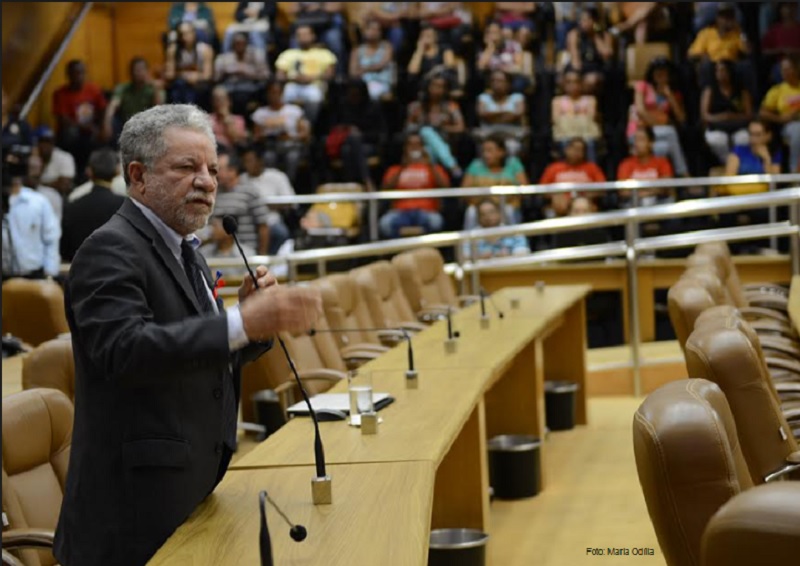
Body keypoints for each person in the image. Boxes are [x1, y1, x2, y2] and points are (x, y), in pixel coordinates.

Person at [53, 104, 322, 566]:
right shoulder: (109, 249)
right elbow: (127, 351)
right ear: (138, 176)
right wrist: (240, 323)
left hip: (191, 486)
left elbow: (200, 352)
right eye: (187, 167)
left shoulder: (184, 249)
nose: (208, 181)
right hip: (132, 515)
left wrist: (251, 322)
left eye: (213, 169)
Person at [626, 57, 690, 177]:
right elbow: (640, 110)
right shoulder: (642, 86)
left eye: (664, 72)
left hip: (658, 135)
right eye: (657, 71)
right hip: (639, 131)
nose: (660, 75)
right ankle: (685, 175)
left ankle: (666, 185)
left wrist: (669, 96)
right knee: (671, 132)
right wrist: (660, 122)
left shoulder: (673, 93)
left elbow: (681, 118)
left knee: (666, 147)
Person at [379, 132, 450, 238]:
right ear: (405, 148)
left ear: (423, 148)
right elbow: (385, 189)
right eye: (411, 144)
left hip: (426, 211)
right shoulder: (395, 169)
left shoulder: (433, 168)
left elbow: (446, 186)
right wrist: (402, 167)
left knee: (436, 221)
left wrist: (430, 164)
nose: (414, 148)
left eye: (418, 144)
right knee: (385, 223)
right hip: (400, 212)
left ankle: (427, 252)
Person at [60, 148, 126, 262]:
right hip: (116, 270)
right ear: (117, 171)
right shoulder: (125, 205)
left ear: (89, 172)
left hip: (81, 271)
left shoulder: (72, 206)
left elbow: (64, 250)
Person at [2, 159, 61, 280]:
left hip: (35, 275)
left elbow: (51, 239)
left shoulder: (38, 202)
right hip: (4, 275)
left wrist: (50, 274)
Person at [52, 59, 107, 180]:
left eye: (81, 73)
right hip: (74, 130)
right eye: (75, 73)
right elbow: (63, 119)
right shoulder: (60, 93)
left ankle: (96, 171)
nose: (79, 76)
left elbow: (103, 109)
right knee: (71, 133)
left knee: (106, 130)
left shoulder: (93, 89)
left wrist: (103, 126)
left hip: (92, 127)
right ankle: (75, 171)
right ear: (68, 75)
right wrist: (85, 127)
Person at [251, 80, 312, 184]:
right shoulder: (260, 113)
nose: (274, 96)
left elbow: (305, 134)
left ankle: (287, 186)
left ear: (282, 93)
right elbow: (255, 136)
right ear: (267, 94)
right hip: (270, 146)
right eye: (271, 93)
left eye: (277, 92)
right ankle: (271, 185)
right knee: (268, 157)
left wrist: (291, 136)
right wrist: (266, 135)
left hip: (291, 145)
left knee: (292, 158)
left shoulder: (294, 110)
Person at [274, 24, 337, 125]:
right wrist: (293, 78)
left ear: (313, 36)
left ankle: (308, 125)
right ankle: (290, 126)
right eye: (299, 35)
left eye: (306, 34)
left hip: (314, 85)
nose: (303, 37)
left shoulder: (324, 53)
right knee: (287, 93)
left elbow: (330, 74)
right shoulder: (288, 54)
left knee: (314, 95)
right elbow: (279, 75)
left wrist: (311, 77)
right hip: (293, 84)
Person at [461, 134, 528, 229]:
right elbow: (465, 191)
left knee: (509, 211)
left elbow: (524, 189)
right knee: (471, 212)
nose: (485, 154)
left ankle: (516, 241)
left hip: (506, 206)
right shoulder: (476, 165)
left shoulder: (514, 163)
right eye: (484, 151)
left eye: (490, 151)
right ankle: (468, 242)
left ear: (501, 152)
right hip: (480, 207)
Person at [210, 149, 270, 255]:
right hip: (219, 253)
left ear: (232, 170)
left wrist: (262, 256)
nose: (216, 173)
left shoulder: (250, 192)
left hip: (246, 252)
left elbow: (263, 226)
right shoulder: (214, 193)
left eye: (219, 169)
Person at [405, 73, 465, 179]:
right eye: (434, 86)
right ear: (427, 87)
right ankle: (452, 166)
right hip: (421, 142)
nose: (437, 90)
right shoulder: (417, 106)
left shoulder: (451, 106)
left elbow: (460, 128)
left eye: (441, 87)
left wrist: (443, 128)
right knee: (426, 132)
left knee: (431, 146)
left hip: (445, 140)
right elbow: (408, 127)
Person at [238, 145, 294, 254]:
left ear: (260, 161)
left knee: (280, 233)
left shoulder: (277, 176)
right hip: (247, 221)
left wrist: (265, 205)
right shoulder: (241, 179)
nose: (247, 165)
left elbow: (291, 202)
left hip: (271, 220)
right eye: (245, 161)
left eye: (250, 161)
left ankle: (271, 261)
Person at [700, 58, 753, 164]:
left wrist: (733, 117)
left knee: (743, 139)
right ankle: (727, 164)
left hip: (738, 125)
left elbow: (749, 114)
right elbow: (704, 115)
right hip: (716, 126)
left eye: (723, 70)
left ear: (730, 72)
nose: (720, 73)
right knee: (718, 140)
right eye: (717, 70)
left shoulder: (741, 91)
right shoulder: (710, 90)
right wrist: (722, 117)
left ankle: (739, 165)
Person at [539, 137, 606, 217]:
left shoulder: (592, 168)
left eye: (580, 150)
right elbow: (542, 190)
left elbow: (602, 188)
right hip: (560, 203)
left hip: (584, 201)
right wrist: (556, 195)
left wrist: (583, 195)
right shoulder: (553, 168)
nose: (576, 152)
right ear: (566, 149)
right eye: (574, 148)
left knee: (581, 206)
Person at [103, 58, 165, 145]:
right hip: (126, 124)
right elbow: (112, 106)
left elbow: (159, 110)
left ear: (147, 71)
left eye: (141, 70)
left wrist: (155, 89)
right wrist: (107, 124)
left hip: (146, 126)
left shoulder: (153, 89)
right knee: (113, 122)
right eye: (135, 70)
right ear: (130, 72)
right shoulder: (122, 88)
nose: (138, 73)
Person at [759, 56, 800, 172]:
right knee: (798, 130)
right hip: (789, 126)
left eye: (788, 69)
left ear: (796, 69)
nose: (785, 72)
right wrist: (780, 119)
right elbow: (762, 113)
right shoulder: (777, 90)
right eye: (783, 69)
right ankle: (795, 173)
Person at [214, 31, 270, 116]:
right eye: (236, 43)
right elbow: (216, 78)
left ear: (246, 43)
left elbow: (266, 75)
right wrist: (227, 72)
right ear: (232, 44)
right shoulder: (223, 58)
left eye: (242, 43)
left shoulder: (257, 55)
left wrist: (247, 72)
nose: (239, 45)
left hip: (252, 87)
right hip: (230, 87)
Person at [616, 126, 674, 207]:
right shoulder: (626, 164)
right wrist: (649, 192)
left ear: (651, 143)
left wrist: (643, 193)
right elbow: (623, 192)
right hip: (634, 203)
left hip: (657, 203)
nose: (636, 144)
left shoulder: (662, 162)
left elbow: (666, 186)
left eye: (641, 140)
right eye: (635, 140)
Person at [552, 70, 601, 163]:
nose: (572, 85)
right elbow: (556, 121)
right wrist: (579, 116)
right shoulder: (557, 101)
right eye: (569, 82)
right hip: (565, 135)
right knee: (565, 144)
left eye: (575, 82)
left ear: (581, 83)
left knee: (590, 144)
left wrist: (569, 117)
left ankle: (591, 171)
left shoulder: (590, 100)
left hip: (586, 135)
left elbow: (591, 119)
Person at [164, 21, 215, 109]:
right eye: (181, 34)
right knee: (179, 86)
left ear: (194, 33)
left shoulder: (205, 50)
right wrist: (185, 76)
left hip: (199, 84)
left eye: (187, 33)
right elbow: (170, 74)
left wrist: (197, 76)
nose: (184, 37)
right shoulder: (173, 50)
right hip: (180, 84)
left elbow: (208, 75)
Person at [565, 6, 614, 95]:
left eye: (587, 20)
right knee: (571, 78)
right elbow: (575, 60)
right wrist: (579, 77)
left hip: (596, 67)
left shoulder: (604, 34)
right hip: (580, 68)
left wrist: (595, 36)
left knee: (592, 80)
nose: (584, 23)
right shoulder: (574, 34)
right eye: (582, 20)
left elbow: (607, 54)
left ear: (595, 21)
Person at [463, 198, 530, 259]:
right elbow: (464, 256)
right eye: (483, 214)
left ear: (499, 213)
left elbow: (524, 251)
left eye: (491, 212)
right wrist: (480, 258)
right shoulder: (471, 236)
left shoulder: (513, 232)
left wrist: (510, 255)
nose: (488, 217)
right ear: (478, 218)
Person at [349, 19, 395, 101]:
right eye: (370, 29)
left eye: (377, 30)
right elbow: (353, 72)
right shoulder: (357, 51)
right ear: (364, 31)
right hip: (363, 85)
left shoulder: (386, 47)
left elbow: (382, 65)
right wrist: (372, 68)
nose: (373, 32)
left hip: (382, 83)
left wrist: (363, 69)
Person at [33, 125, 76, 196]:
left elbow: (64, 186)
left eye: (48, 141)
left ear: (53, 142)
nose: (45, 145)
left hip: (59, 198)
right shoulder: (32, 158)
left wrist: (40, 184)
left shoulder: (65, 157)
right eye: (42, 141)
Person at [209, 86, 248, 150]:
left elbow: (235, 140)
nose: (220, 102)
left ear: (229, 101)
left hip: (231, 152)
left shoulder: (239, 120)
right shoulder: (207, 119)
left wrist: (226, 118)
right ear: (212, 102)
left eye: (222, 98)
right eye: (217, 99)